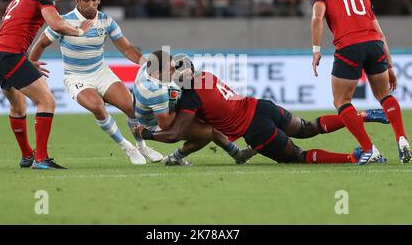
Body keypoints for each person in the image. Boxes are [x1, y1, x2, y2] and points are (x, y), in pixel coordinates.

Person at [138, 56, 389, 165]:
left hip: (256, 130)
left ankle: (354, 158)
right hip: (261, 106)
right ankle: (362, 115)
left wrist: (146, 133)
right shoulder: (206, 76)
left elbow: (175, 133)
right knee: (308, 128)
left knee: (299, 157)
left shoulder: (190, 99)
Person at [29, 0, 163, 165]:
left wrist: (147, 65)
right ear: (77, 0)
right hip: (76, 77)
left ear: (99, 0)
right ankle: (127, 147)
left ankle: (142, 147)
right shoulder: (64, 21)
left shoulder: (106, 21)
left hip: (101, 73)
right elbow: (41, 43)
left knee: (132, 108)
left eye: (94, 0)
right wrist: (31, 62)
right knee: (98, 107)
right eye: (86, 0)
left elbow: (127, 49)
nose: (90, 4)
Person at [0, 0, 93, 170]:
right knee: (46, 101)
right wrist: (79, 31)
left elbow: (13, 29)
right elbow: (56, 24)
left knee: (18, 106)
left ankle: (28, 155)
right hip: (10, 55)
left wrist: (24, 59)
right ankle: (41, 159)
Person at [311, 0, 411, 164]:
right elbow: (380, 34)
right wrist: (390, 66)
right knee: (385, 95)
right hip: (374, 45)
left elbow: (316, 18)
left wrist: (316, 50)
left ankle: (369, 149)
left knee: (342, 101)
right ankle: (402, 139)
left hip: (349, 47)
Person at [133, 50, 253, 166]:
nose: (174, 71)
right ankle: (174, 158)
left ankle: (238, 155)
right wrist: (182, 103)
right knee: (209, 131)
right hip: (156, 124)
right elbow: (166, 126)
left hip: (154, 112)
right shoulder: (157, 92)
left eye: (173, 67)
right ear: (156, 74)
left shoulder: (147, 68)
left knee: (207, 123)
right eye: (170, 70)